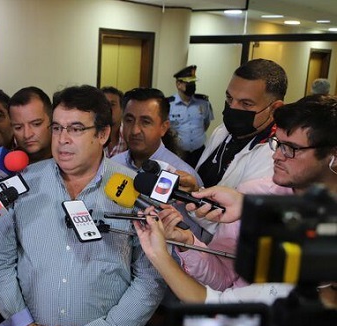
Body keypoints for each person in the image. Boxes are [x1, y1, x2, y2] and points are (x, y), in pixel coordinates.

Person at [0, 85, 165, 326]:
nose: (62, 139)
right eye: (57, 128)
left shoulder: (135, 191)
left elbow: (150, 278)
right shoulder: (22, 184)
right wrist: (24, 325)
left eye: (76, 129)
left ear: (103, 134)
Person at [134, 93, 337, 305]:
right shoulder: (253, 193)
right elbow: (222, 278)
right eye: (278, 143)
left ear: (333, 156)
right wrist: (188, 242)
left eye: (291, 149)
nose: (276, 156)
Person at [195, 59, 287, 189]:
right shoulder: (223, 131)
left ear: (274, 109)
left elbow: (243, 205)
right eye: (229, 98)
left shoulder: (275, 155)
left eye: (246, 104)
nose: (232, 107)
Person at [111, 87, 203, 189]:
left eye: (146, 122)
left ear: (164, 127)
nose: (135, 130)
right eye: (129, 120)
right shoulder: (113, 165)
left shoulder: (183, 176)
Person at [168, 65, 214, 167]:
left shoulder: (203, 103)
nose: (192, 85)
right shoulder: (168, 104)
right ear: (178, 84)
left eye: (193, 82)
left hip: (199, 152)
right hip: (177, 153)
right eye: (188, 82)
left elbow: (206, 123)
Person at [9, 86, 53, 163]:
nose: (27, 135)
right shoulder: (7, 165)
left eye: (36, 124)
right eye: (18, 128)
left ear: (52, 121)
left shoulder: (71, 160)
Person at [101, 86, 127, 158]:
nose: (108, 108)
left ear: (122, 109)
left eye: (112, 104)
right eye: (104, 104)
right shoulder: (92, 137)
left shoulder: (128, 136)